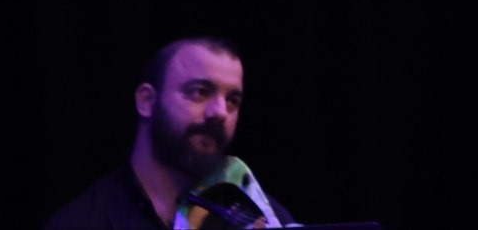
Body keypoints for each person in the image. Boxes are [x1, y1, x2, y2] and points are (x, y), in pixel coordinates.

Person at [46, 36, 296, 228]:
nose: (220, 112)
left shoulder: (262, 217)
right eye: (200, 92)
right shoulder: (84, 222)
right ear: (147, 101)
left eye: (232, 100)